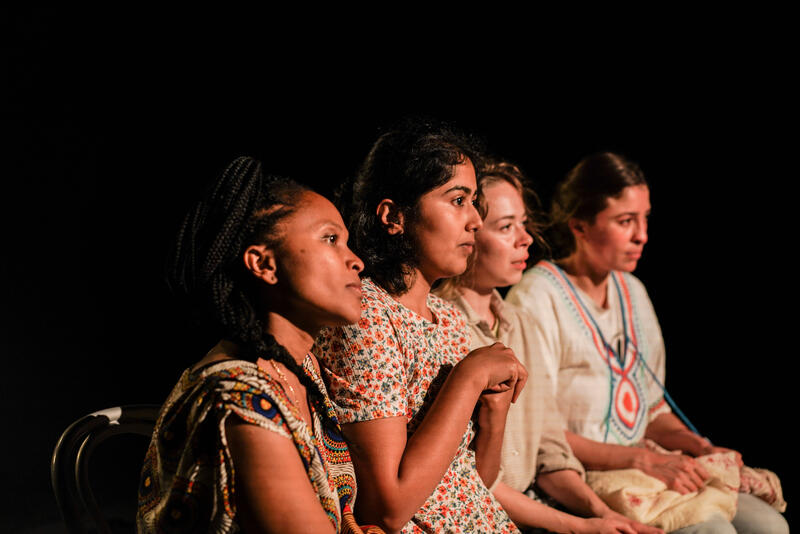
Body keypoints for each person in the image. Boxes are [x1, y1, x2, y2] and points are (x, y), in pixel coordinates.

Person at [505, 152, 789, 533]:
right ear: (580, 225)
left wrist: (698, 448)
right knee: (714, 530)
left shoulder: (632, 292)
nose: (642, 235)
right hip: (580, 477)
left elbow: (649, 412)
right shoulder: (537, 296)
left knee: (769, 526)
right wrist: (640, 460)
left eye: (644, 219)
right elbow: (539, 430)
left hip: (646, 465)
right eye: (625, 221)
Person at [136, 157, 382, 534]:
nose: (357, 262)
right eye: (331, 239)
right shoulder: (241, 400)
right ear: (264, 265)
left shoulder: (302, 371)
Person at [314, 119, 527, 533]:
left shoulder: (446, 317)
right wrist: (469, 377)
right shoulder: (366, 317)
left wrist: (494, 413)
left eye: (474, 202)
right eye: (457, 200)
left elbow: (467, 485)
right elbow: (387, 509)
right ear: (394, 216)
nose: (475, 222)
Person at [436, 158, 662, 534]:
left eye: (523, 224)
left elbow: (550, 451)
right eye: (506, 227)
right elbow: (474, 482)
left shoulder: (520, 324)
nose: (525, 239)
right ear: (469, 232)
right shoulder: (444, 329)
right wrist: (578, 526)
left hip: (535, 508)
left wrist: (605, 516)